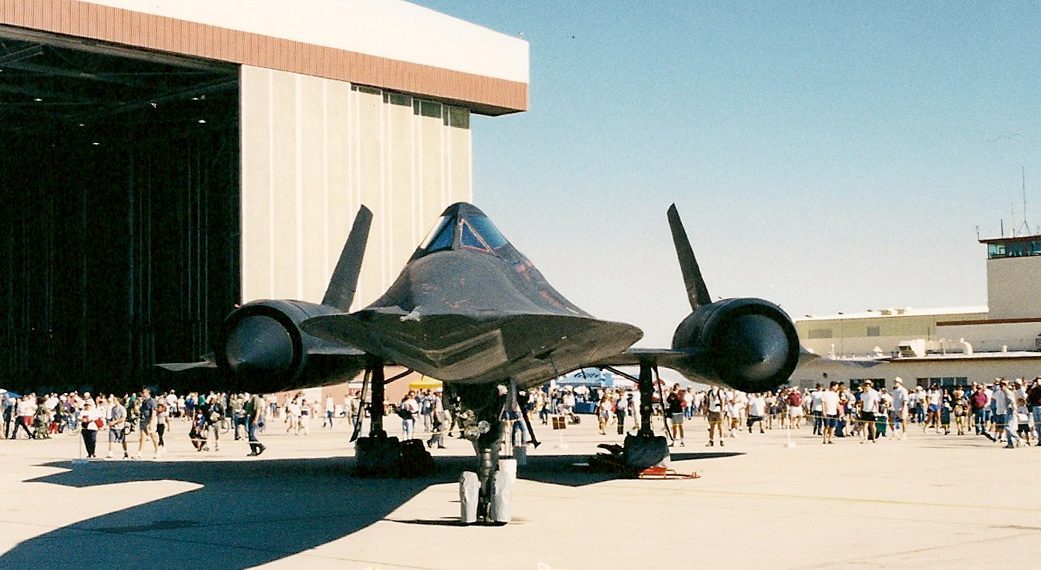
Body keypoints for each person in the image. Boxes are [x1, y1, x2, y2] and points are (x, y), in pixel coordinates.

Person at [136, 388, 160, 459]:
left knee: (153, 435)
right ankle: (140, 452)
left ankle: (157, 450)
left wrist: (151, 422)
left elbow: (154, 412)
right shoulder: (143, 401)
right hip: (143, 420)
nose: (142, 394)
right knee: (142, 437)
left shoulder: (152, 401)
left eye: (144, 392)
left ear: (148, 392)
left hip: (149, 420)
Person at [245, 392, 267, 456]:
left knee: (251, 434)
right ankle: (253, 451)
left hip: (254, 417)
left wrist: (256, 419)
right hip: (250, 417)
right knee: (250, 435)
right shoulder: (250, 398)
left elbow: (258, 409)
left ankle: (261, 446)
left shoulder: (256, 398)